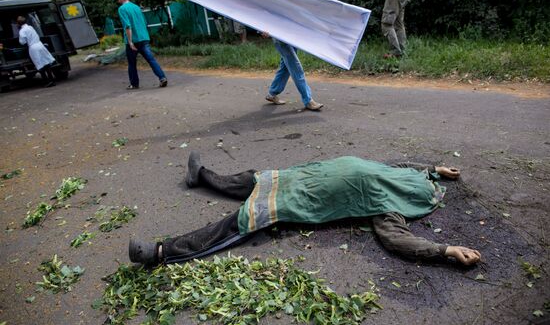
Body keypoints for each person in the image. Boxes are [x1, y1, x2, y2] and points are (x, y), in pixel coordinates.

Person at [129, 151, 481, 267]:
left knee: (244, 220)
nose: (420, 179)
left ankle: (162, 250)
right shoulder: (407, 176)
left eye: (426, 182)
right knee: (254, 178)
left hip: (306, 201)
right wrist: (435, 169)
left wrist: (445, 250)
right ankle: (202, 176)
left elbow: (397, 241)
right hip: (306, 177)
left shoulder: (390, 209)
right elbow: (412, 168)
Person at [262, 0, 323, 111]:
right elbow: (264, 11)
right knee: (296, 67)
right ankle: (308, 100)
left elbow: (300, 8)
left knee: (286, 67)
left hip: (293, 35)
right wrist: (263, 28)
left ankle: (272, 93)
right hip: (280, 36)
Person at [115, 0, 168, 89]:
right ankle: (162, 78)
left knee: (132, 63)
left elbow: (127, 26)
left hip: (133, 40)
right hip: (143, 38)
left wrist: (130, 42)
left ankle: (134, 84)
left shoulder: (122, 9)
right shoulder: (136, 7)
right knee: (151, 59)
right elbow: (143, 21)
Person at [17, 16, 56, 87]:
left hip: (33, 48)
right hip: (40, 45)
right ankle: (52, 79)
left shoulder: (22, 31)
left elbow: (22, 42)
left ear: (19, 24)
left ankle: (46, 81)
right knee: (46, 63)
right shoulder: (30, 27)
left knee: (40, 65)